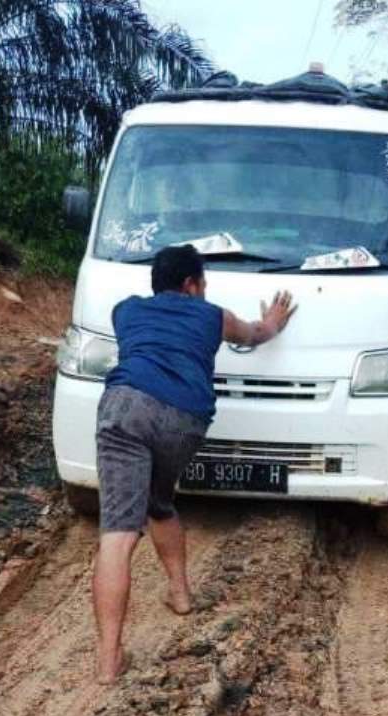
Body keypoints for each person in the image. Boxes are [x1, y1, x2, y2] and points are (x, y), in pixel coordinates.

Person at [92, 244, 296, 684]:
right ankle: (181, 595)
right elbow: (254, 333)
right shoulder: (212, 316)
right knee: (159, 502)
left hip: (126, 408)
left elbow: (144, 340)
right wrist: (274, 323)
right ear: (191, 285)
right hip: (184, 418)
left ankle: (109, 661)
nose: (204, 292)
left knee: (118, 534)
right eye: (203, 284)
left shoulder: (124, 311)